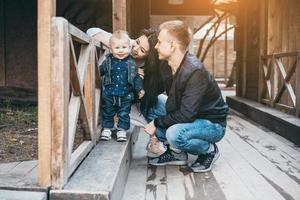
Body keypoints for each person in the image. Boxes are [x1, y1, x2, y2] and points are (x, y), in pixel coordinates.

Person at [144, 20, 229, 172]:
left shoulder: (195, 71)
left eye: (159, 42)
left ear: (172, 45)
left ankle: (208, 150)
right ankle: (178, 154)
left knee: (173, 134)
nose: (156, 46)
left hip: (212, 124)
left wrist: (156, 123)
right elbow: (153, 92)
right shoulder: (168, 65)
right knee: (152, 104)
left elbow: (186, 114)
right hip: (191, 117)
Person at [99, 30, 145, 142]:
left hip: (126, 95)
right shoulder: (108, 61)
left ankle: (121, 130)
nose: (121, 51)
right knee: (108, 111)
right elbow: (99, 72)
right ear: (111, 49)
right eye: (117, 48)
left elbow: (136, 78)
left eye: (124, 47)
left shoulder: (131, 63)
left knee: (124, 113)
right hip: (110, 93)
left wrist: (140, 89)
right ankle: (107, 128)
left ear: (129, 48)